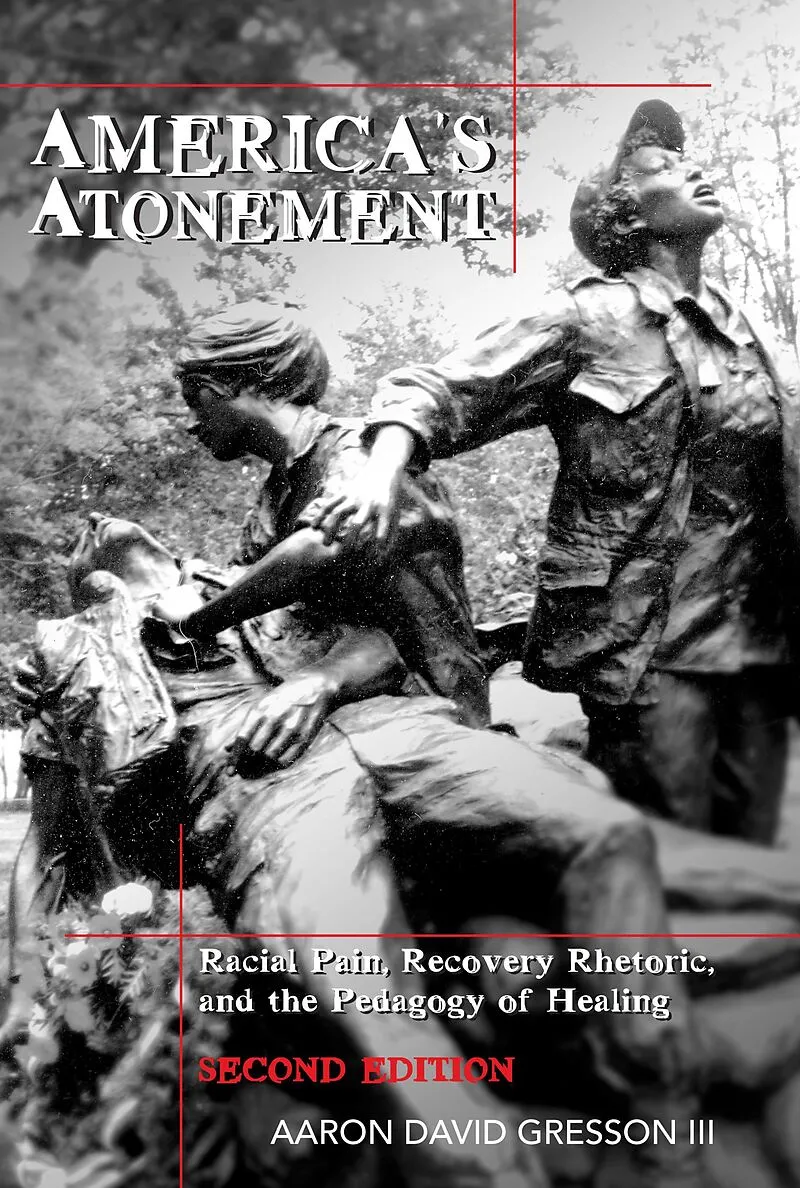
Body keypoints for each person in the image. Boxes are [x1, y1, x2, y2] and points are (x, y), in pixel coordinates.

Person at [13, 511, 714, 1188]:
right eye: (79, 539)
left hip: (400, 730)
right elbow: (48, 839)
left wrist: (317, 683)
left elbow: (376, 646)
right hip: (260, 787)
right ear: (84, 586)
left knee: (602, 831)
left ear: (173, 550)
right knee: (351, 970)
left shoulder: (253, 583)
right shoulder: (69, 656)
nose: (95, 518)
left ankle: (665, 1118)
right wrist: (25, 983)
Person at [310, 99, 800, 844]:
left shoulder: (751, 331)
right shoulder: (585, 319)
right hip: (652, 648)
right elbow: (432, 391)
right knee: (671, 853)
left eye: (686, 160)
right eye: (661, 166)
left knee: (755, 843)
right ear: (623, 212)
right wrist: (378, 473)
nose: (692, 170)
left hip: (761, 640)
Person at [152, 301, 489, 728]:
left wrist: (195, 622)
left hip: (430, 702)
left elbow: (318, 547)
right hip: (349, 686)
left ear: (244, 380)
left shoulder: (360, 451)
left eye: (195, 398)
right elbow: (244, 581)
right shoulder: (275, 496)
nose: (190, 422)